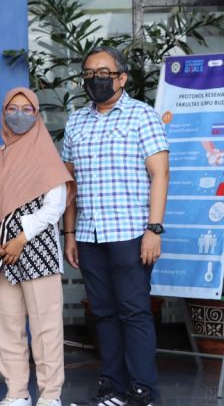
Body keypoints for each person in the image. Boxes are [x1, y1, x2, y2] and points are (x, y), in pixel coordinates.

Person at [61, 47, 168, 406]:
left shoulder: (142, 116)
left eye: (104, 73)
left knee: (134, 312)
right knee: (103, 313)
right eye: (89, 74)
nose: (96, 80)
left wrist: (154, 229)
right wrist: (69, 233)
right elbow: (70, 185)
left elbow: (160, 174)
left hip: (131, 233)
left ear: (121, 78)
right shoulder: (76, 121)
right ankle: (113, 387)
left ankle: (142, 391)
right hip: (89, 234)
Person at [0, 87, 75, 406]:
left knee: (46, 327)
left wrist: (21, 238)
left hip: (37, 249)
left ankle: (50, 395)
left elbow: (54, 206)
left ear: (36, 114)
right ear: (3, 113)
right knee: (6, 325)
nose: (18, 115)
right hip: (2, 251)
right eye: (12, 109)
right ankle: (16, 393)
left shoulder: (47, 156)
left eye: (27, 109)